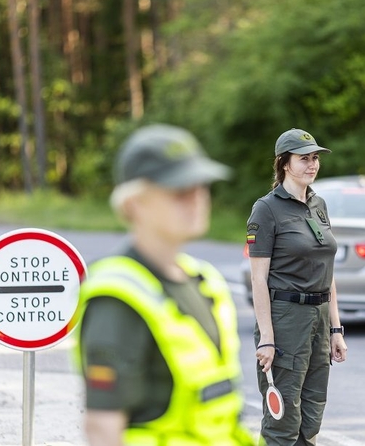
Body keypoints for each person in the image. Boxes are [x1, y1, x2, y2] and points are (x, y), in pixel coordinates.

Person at [72, 124, 256, 446]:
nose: (196, 199)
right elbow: (103, 429)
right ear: (134, 205)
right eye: (179, 190)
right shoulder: (118, 296)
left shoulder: (205, 281)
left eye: (200, 187)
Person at [246, 128, 347, 446]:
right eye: (304, 159)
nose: (312, 165)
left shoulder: (319, 205)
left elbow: (327, 272)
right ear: (284, 163)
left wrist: (335, 329)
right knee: (282, 423)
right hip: (285, 319)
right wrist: (267, 338)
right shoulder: (267, 209)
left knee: (312, 416)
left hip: (318, 321)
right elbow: (258, 279)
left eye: (315, 158)